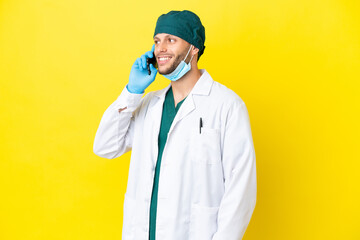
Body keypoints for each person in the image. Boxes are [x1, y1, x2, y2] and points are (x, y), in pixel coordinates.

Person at [93, 10, 257, 240]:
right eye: (157, 41)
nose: (160, 48)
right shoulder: (149, 104)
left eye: (171, 40)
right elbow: (105, 146)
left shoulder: (227, 105)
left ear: (194, 48)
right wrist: (132, 92)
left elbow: (241, 188)